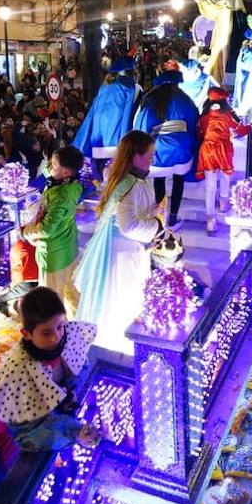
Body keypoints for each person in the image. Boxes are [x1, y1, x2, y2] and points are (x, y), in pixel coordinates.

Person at [0, 287, 100, 452]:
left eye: (59, 326)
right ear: (27, 334)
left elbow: (79, 366)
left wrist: (68, 393)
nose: (56, 337)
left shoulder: (70, 335)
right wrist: (74, 431)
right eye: (46, 333)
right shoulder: (18, 373)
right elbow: (26, 434)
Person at [74, 130, 162, 353]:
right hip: (122, 256)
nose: (153, 158)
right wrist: (157, 226)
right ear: (135, 156)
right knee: (120, 301)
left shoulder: (138, 181)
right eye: (150, 154)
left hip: (133, 250)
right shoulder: (128, 185)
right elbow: (128, 225)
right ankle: (118, 347)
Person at [131, 67, 199, 228]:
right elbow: (193, 121)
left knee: (159, 179)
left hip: (159, 146)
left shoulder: (152, 99)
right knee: (178, 180)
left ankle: (158, 216)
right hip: (181, 147)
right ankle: (173, 217)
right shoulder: (185, 99)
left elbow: (143, 124)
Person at [22, 146, 86, 317]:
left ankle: (58, 331)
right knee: (66, 290)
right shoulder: (68, 184)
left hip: (55, 252)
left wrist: (26, 232)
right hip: (64, 245)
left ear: (65, 172)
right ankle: (70, 325)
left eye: (54, 164)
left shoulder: (62, 195)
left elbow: (47, 229)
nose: (50, 167)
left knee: (53, 297)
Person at [195, 88, 251, 232]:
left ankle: (210, 219)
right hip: (224, 149)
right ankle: (223, 203)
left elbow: (199, 133)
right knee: (225, 177)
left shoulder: (204, 117)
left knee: (210, 186)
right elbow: (241, 130)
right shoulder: (227, 116)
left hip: (207, 150)